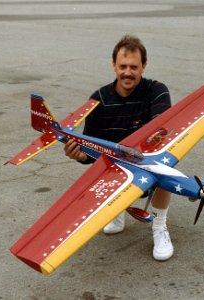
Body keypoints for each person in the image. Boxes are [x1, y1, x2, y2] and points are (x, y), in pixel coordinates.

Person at [64, 35, 174, 261]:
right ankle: (117, 211)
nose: (128, 72)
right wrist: (78, 154)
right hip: (114, 164)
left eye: (134, 67)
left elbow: (161, 135)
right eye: (122, 66)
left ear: (144, 66)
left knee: (166, 165)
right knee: (104, 163)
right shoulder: (98, 100)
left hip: (146, 160)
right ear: (113, 65)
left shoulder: (157, 91)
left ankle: (159, 226)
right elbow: (90, 153)